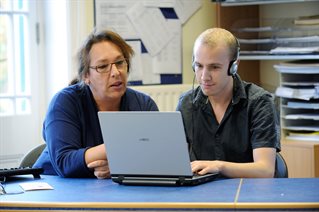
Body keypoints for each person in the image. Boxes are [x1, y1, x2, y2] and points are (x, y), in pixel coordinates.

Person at [33, 30, 158, 179]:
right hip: (53, 187)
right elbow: (64, 162)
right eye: (103, 66)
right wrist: (121, 151)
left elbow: (157, 157)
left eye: (119, 63)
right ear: (86, 76)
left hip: (112, 191)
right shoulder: (64, 102)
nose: (115, 72)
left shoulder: (144, 104)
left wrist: (120, 165)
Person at [176, 28, 280, 178]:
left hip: (248, 193)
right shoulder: (186, 103)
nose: (205, 77)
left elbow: (265, 170)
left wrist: (218, 166)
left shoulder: (259, 103)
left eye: (214, 67)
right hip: (201, 194)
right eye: (199, 66)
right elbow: (177, 163)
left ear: (234, 66)